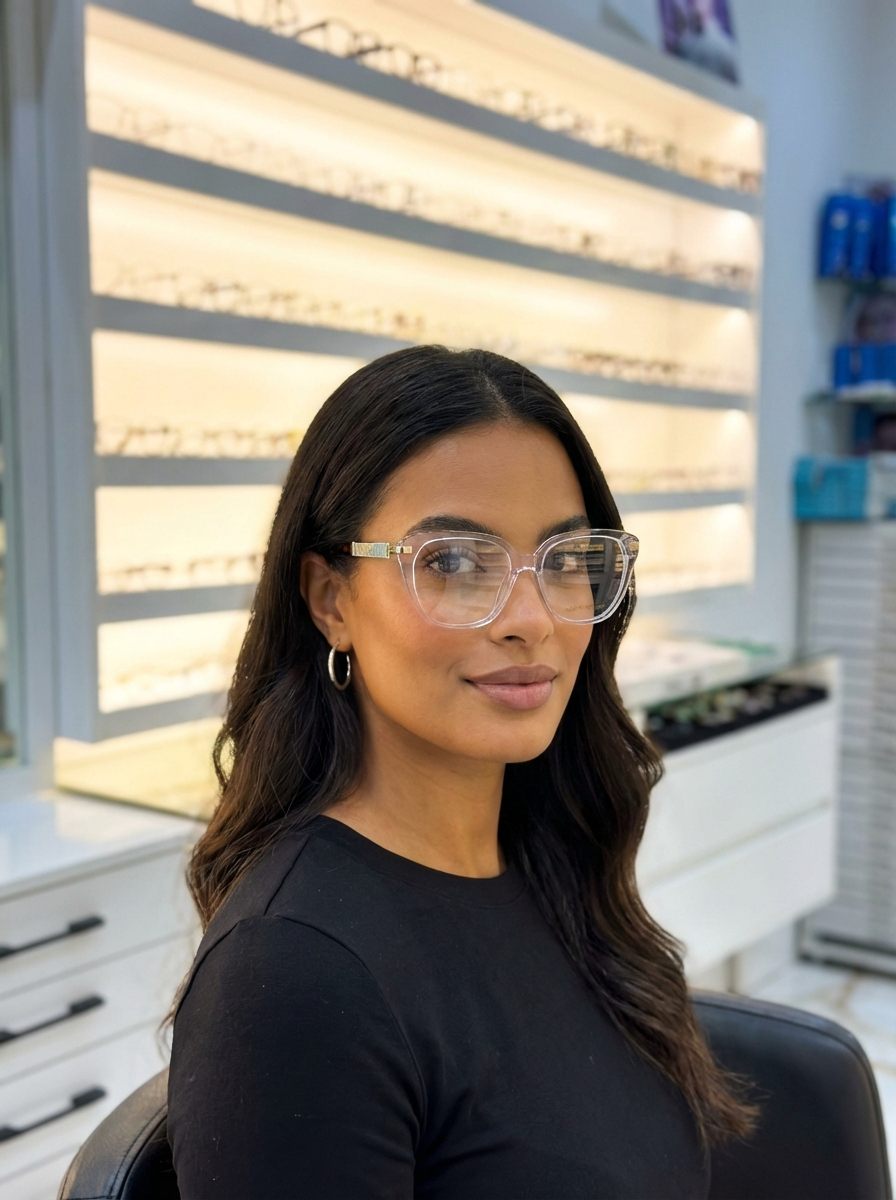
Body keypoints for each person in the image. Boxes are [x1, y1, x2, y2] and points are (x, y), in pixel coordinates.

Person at [168, 346, 754, 1198]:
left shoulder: (554, 858)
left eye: (564, 561)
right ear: (331, 601)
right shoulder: (292, 975)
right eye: (452, 562)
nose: (530, 619)